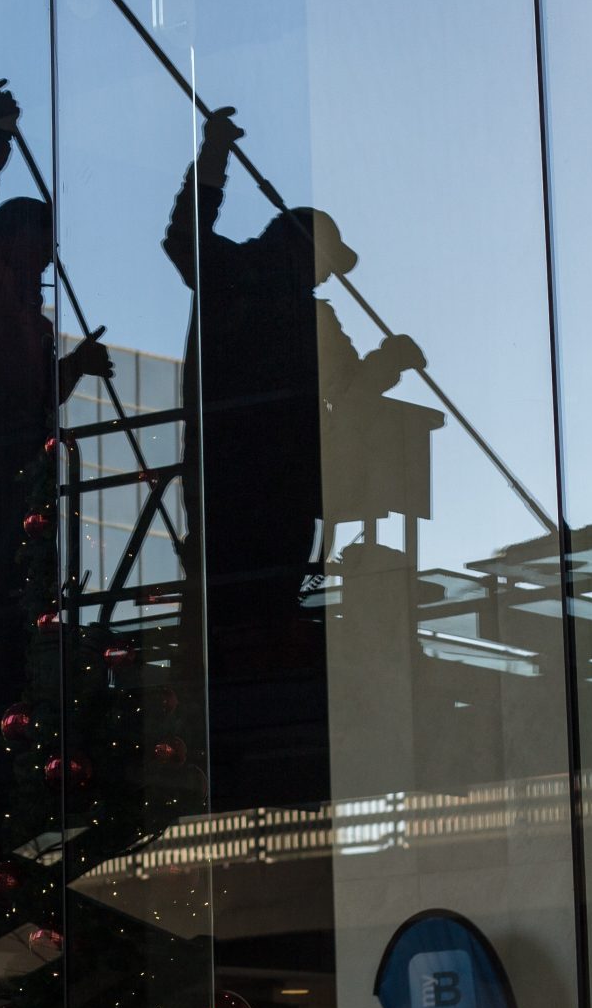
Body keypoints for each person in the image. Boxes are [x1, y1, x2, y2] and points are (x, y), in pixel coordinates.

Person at [164, 106, 423, 650]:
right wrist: (214, 154)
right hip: (249, 470)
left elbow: (348, 385)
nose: (327, 275)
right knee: (241, 581)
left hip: (264, 472)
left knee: (252, 580)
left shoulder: (298, 308)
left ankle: (245, 657)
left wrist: (389, 359)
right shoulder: (233, 277)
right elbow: (183, 235)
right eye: (326, 263)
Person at [0, 82, 109, 713]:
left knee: (5, 573)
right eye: (41, 247)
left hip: (5, 445)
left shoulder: (26, 317)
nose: (47, 262)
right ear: (16, 241)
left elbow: (35, 396)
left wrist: (75, 369)